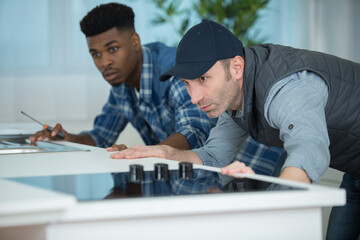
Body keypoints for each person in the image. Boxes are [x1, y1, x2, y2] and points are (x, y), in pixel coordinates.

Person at [110, 19, 360, 239]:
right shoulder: (234, 97)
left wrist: (259, 217)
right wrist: (170, 153)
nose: (195, 97)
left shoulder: (287, 88)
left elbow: (308, 153)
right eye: (188, 83)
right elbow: (216, 153)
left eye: (203, 79)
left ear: (236, 68)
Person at [29, 3, 284, 176]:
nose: (104, 61)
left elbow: (194, 131)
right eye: (95, 54)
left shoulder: (173, 71)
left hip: (255, 163)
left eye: (112, 49)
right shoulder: (121, 84)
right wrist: (66, 138)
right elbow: (100, 136)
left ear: (135, 42)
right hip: (214, 171)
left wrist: (150, 153)